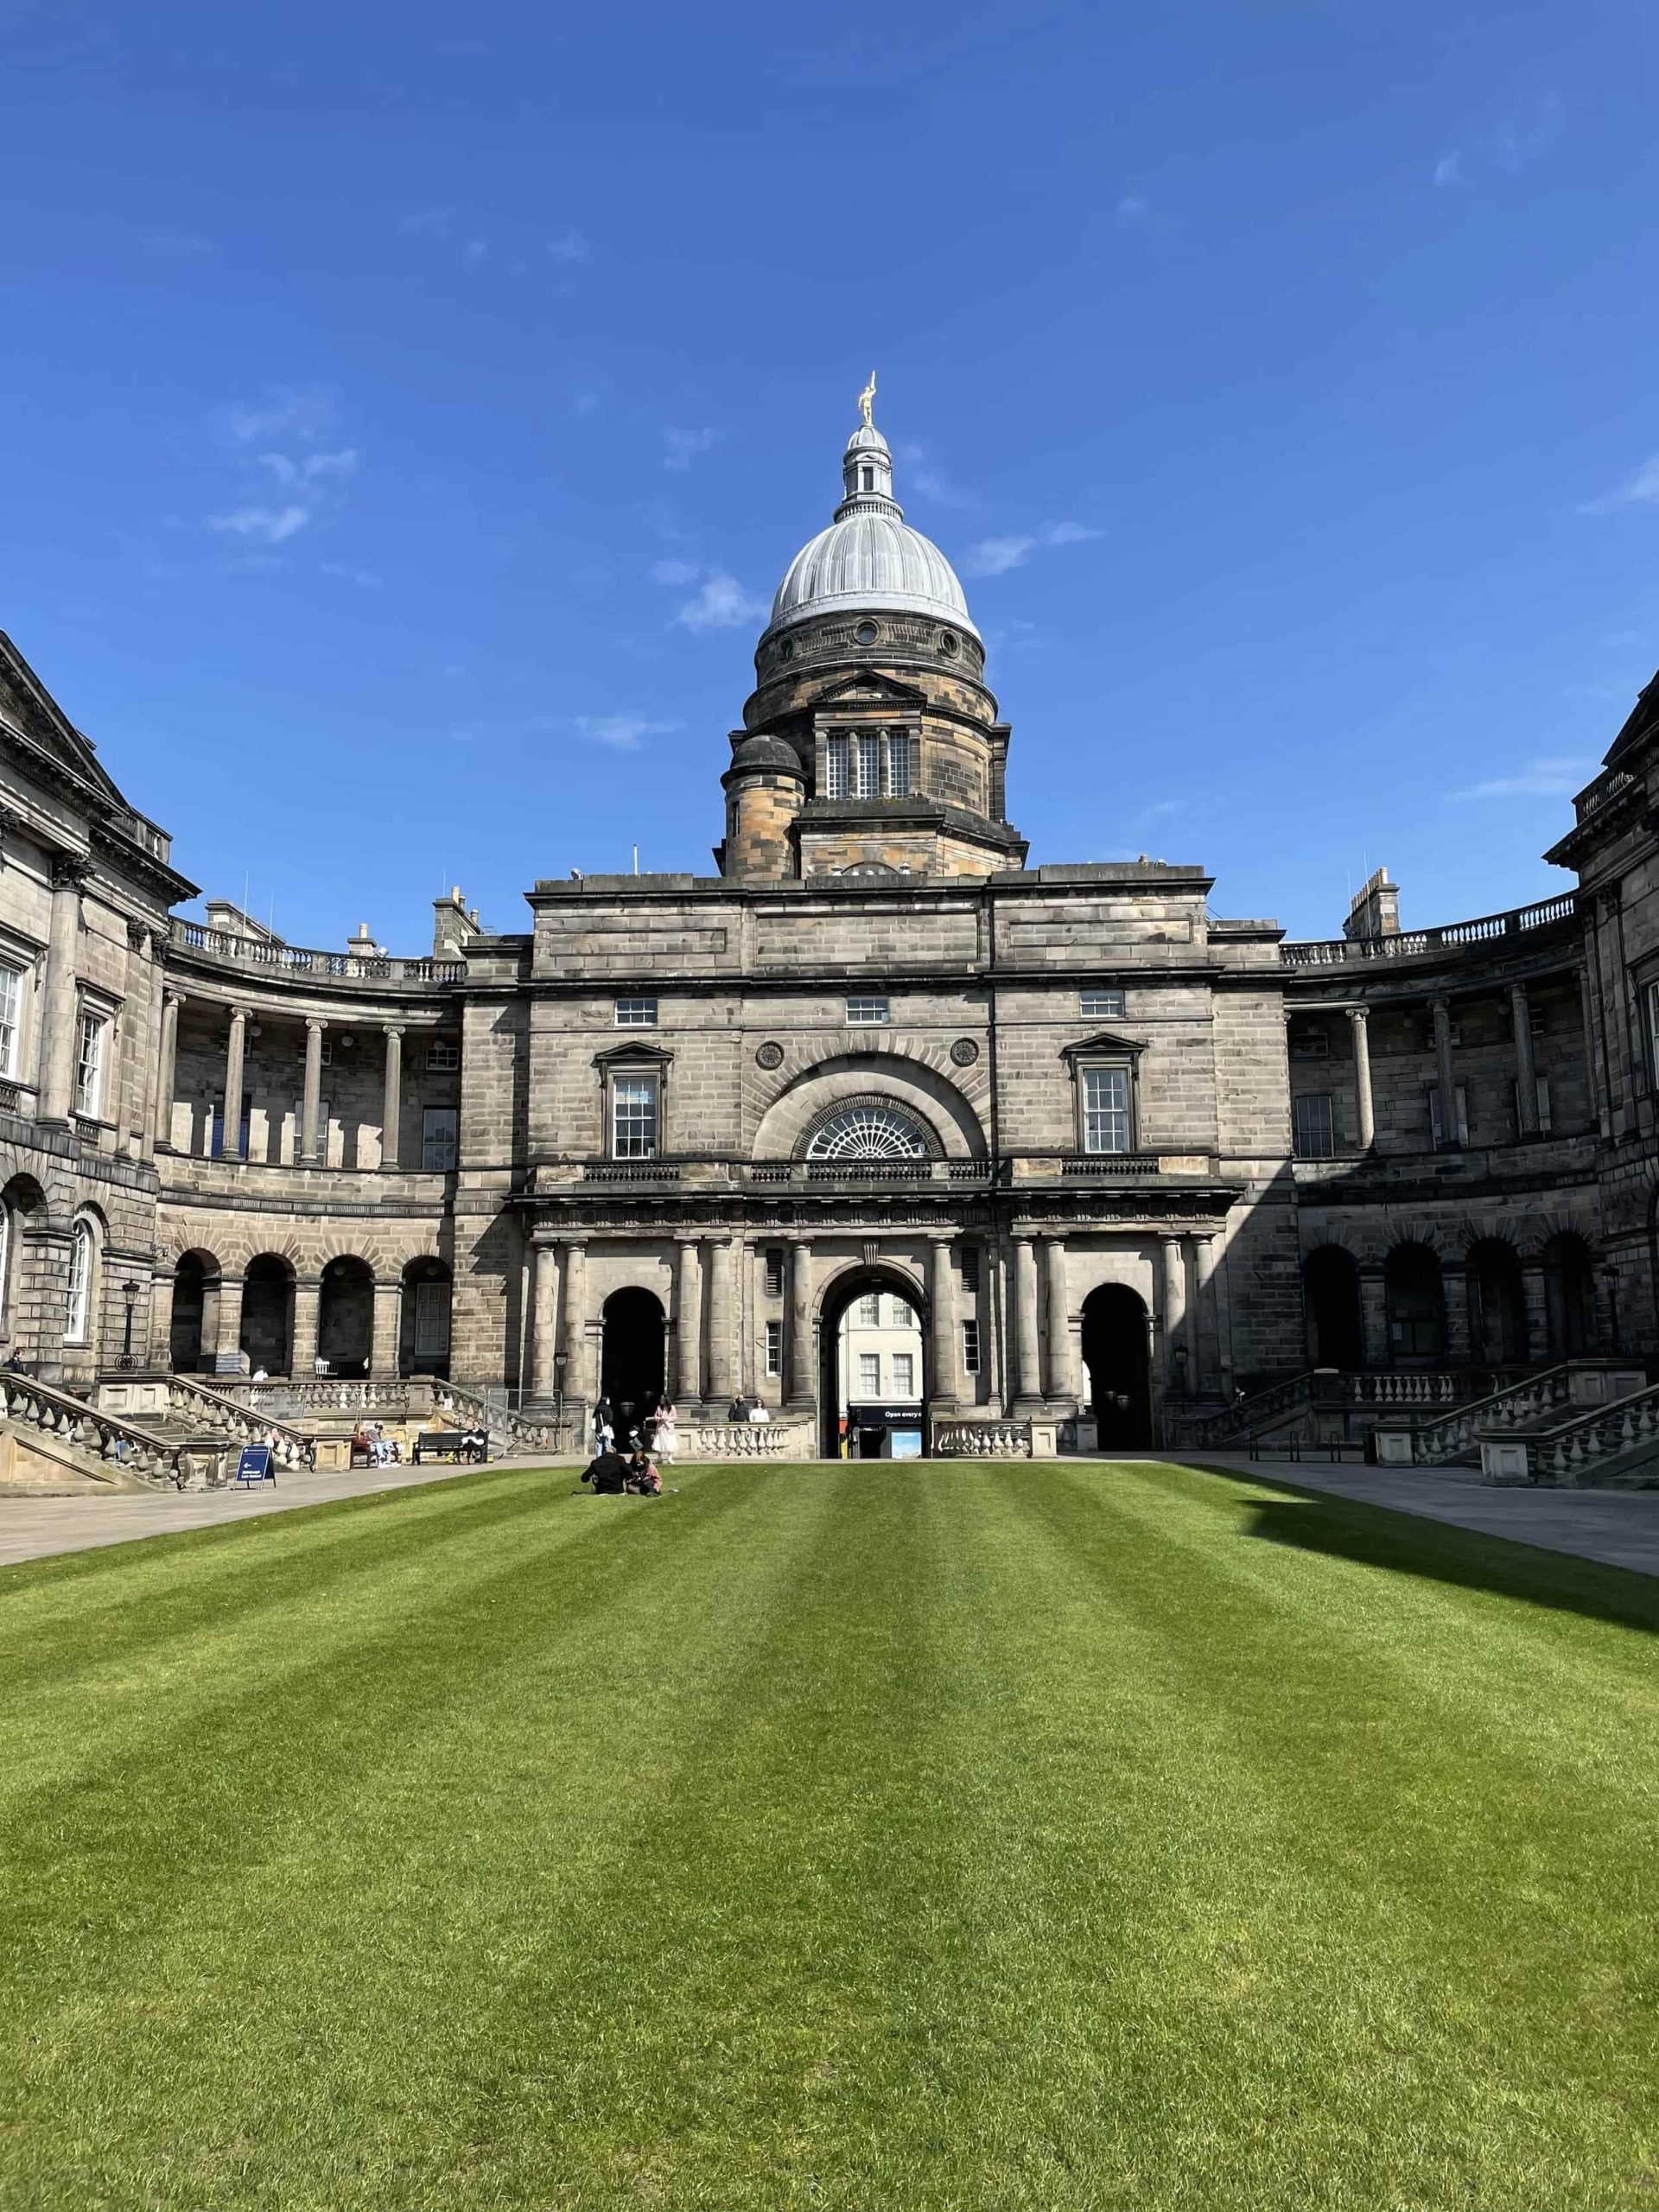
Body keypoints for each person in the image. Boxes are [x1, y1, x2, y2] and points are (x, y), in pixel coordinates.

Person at [653, 1399, 677, 1464]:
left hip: (669, 1428)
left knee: (670, 1442)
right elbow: (655, 1416)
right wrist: (659, 1419)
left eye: (663, 1400)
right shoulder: (659, 1407)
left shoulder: (672, 1407)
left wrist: (667, 1419)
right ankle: (659, 1458)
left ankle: (669, 1458)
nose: (662, 1402)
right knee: (659, 1442)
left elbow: (675, 1417)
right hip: (660, 1428)